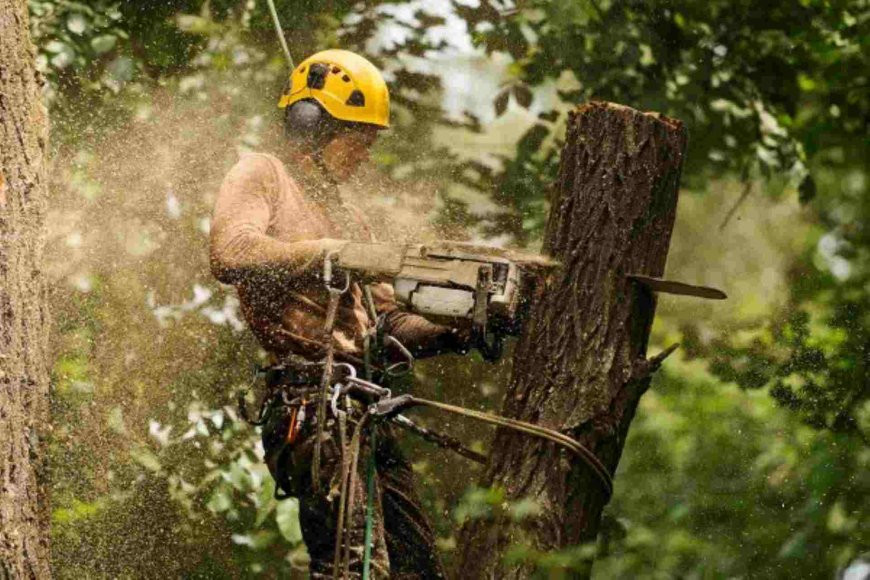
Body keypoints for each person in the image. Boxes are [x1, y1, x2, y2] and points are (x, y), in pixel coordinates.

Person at [209, 49, 470, 579]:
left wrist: (462, 326)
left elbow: (389, 324)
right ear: (312, 123)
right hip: (313, 402)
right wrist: (327, 251)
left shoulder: (348, 214)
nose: (364, 157)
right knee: (354, 568)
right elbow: (230, 251)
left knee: (417, 566)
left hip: (363, 405)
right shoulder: (264, 173)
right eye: (358, 141)